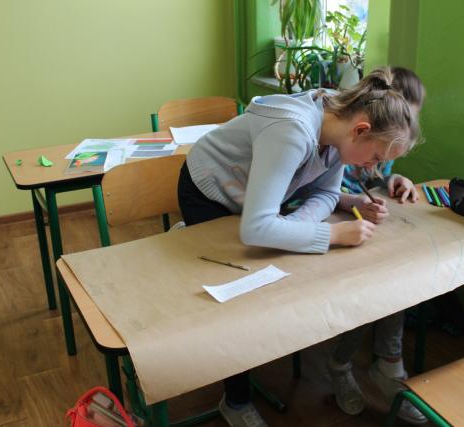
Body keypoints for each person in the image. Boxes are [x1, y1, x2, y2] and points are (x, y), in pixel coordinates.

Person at [177, 66, 420, 427]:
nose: (373, 169)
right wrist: (330, 235)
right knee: (236, 298)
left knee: (270, 256)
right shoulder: (292, 130)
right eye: (376, 158)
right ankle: (237, 401)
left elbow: (327, 194)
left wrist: (292, 229)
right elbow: (256, 229)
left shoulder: (339, 126)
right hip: (209, 190)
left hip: (253, 199)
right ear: (361, 130)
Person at [327, 66, 427, 425]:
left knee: (397, 279)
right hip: (329, 226)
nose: (406, 129)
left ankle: (388, 364)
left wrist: (394, 178)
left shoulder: (386, 137)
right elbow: (318, 191)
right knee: (371, 289)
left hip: (361, 227)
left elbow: (376, 175)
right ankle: (342, 364)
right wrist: (352, 201)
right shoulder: (336, 137)